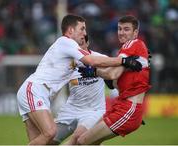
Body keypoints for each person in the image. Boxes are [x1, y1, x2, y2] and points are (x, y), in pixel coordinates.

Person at [16, 14, 142, 145]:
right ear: (71, 30)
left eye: (85, 33)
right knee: (50, 133)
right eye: (82, 29)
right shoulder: (66, 42)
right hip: (37, 91)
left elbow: (110, 75)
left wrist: (126, 66)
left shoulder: (77, 59)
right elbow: (93, 62)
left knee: (44, 140)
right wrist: (123, 60)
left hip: (88, 109)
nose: (84, 34)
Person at [75, 15, 151, 145]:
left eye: (126, 29)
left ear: (135, 32)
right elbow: (114, 82)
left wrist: (93, 71)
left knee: (82, 141)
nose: (121, 33)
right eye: (119, 29)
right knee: (91, 142)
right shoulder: (130, 50)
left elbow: (112, 75)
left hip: (128, 108)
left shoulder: (132, 44)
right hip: (123, 106)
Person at [49, 35, 107, 145]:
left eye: (81, 44)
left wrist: (95, 71)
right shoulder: (67, 63)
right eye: (75, 46)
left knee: (78, 138)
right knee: (48, 139)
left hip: (93, 111)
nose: (78, 48)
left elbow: (114, 73)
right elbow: (55, 86)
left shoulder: (99, 58)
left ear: (88, 43)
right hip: (71, 109)